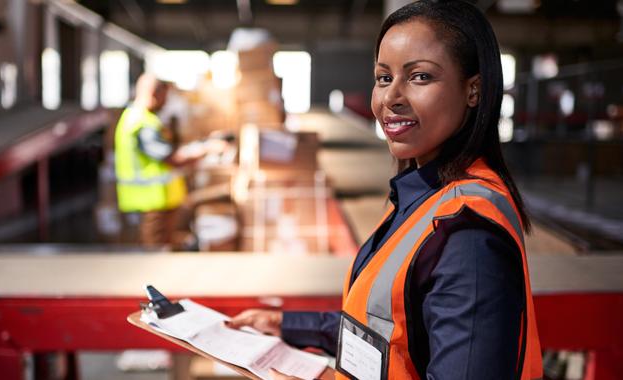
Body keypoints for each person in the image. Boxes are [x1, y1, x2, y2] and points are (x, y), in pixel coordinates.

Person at [228, 1, 543, 379]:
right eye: (383, 77)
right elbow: (385, 329)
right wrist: (287, 324)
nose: (390, 99)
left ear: (473, 90)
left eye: (420, 77)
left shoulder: (466, 234)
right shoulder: (424, 197)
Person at [114, 73, 204, 248]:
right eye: (164, 96)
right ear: (153, 93)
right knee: (154, 254)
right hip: (150, 205)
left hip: (155, 203)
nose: (166, 102)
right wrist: (204, 150)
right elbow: (170, 158)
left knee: (161, 251)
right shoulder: (142, 123)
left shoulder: (140, 118)